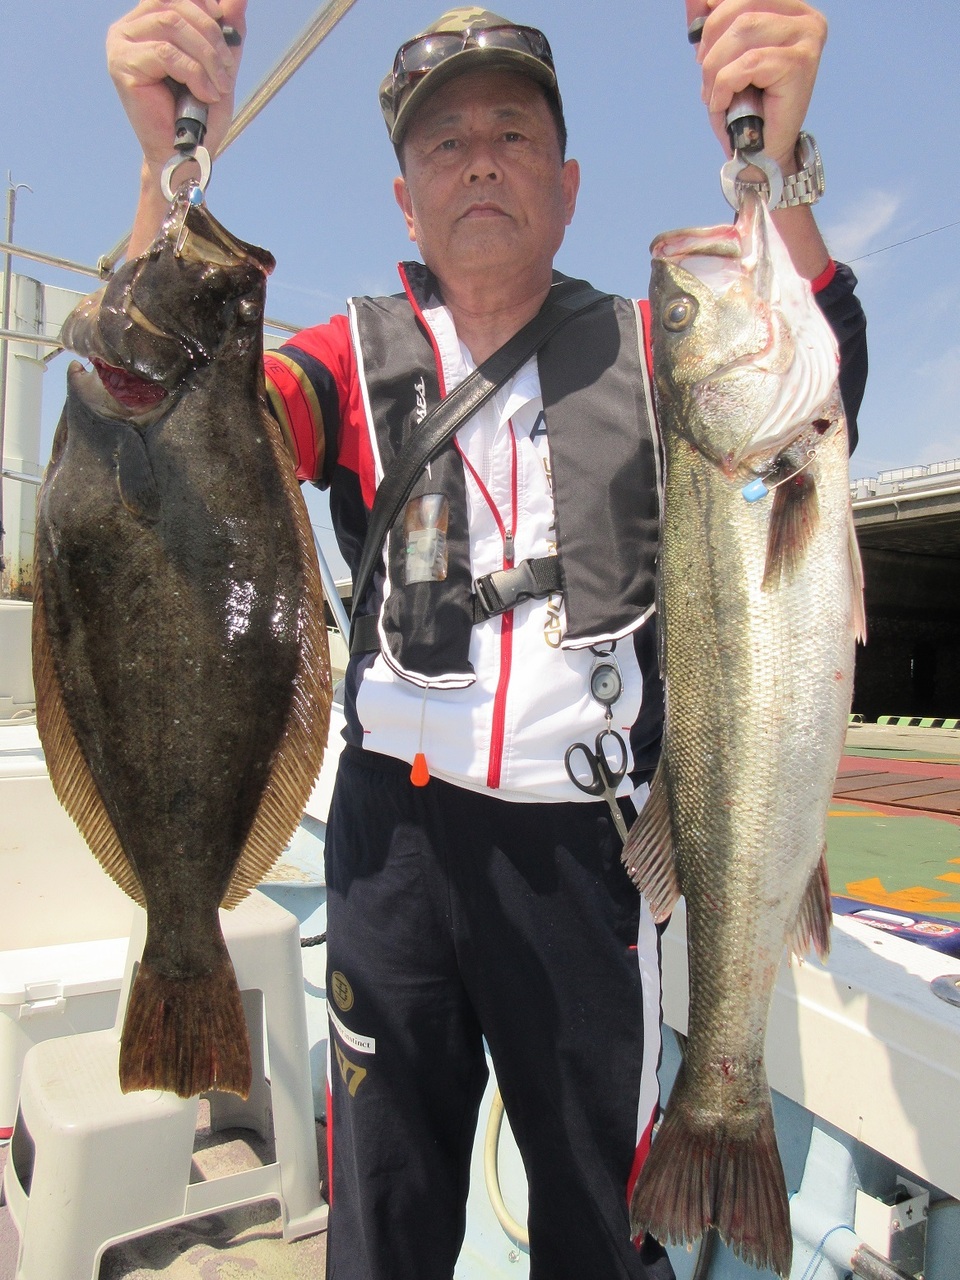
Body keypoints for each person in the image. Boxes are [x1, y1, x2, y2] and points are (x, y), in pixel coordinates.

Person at [106, 3, 867, 1278]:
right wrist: (157, 170)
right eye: (441, 143)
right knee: (384, 1215)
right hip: (387, 853)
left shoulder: (663, 345)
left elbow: (822, 390)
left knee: (590, 1220)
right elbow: (160, 422)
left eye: (513, 133)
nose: (477, 160)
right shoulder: (341, 357)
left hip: (587, 861)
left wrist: (780, 162)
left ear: (570, 189)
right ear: (402, 202)